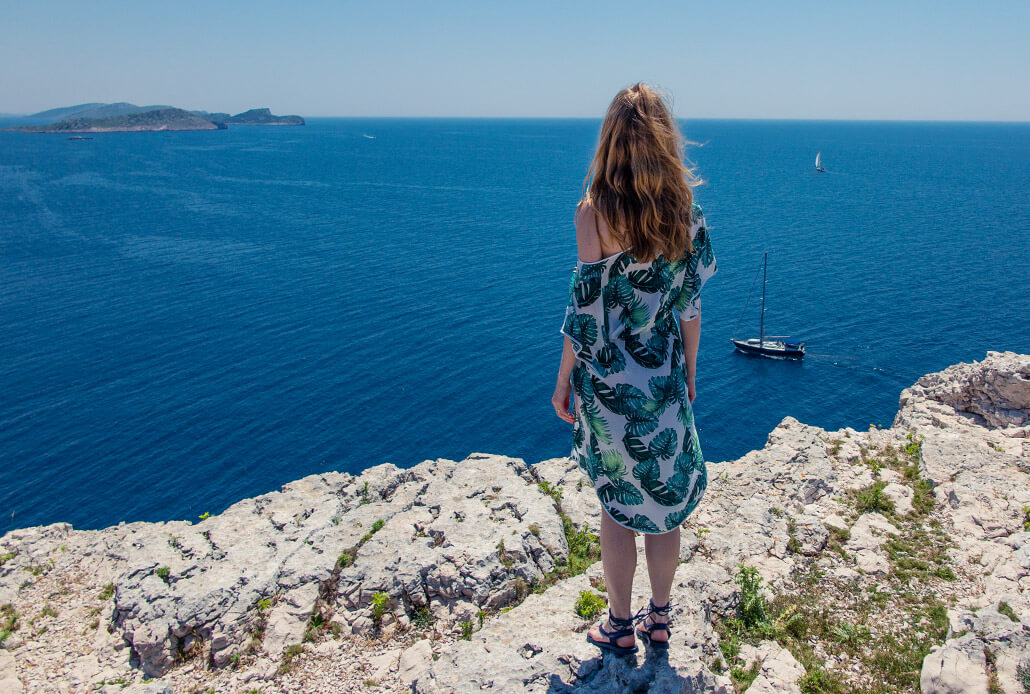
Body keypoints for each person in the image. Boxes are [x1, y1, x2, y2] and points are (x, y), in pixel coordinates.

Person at [551, 83, 717, 656]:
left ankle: (619, 625)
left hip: (607, 387)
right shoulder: (687, 215)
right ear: (664, 141)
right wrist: (691, 371)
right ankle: (661, 618)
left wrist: (563, 376)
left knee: (616, 508)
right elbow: (691, 305)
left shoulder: (593, 214)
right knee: (665, 507)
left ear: (610, 142)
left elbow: (586, 310)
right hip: (665, 375)